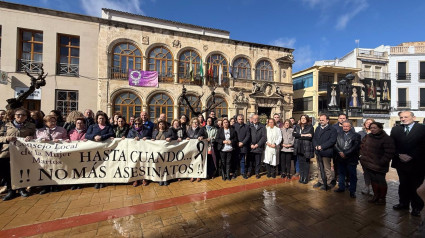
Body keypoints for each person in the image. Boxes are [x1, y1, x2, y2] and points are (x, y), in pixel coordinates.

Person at [391, 111, 425, 216]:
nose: (403, 119)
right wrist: (399, 154)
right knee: (403, 184)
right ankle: (403, 204)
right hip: (401, 162)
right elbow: (392, 145)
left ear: (413, 118)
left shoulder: (422, 129)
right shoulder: (396, 129)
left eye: (406, 117)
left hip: (417, 163)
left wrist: (412, 156)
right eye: (401, 117)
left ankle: (417, 207)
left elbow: (423, 146)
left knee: (416, 186)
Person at [0, 108, 35, 200]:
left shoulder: (31, 126)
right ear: (14, 116)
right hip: (7, 152)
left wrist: (31, 137)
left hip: (23, 153)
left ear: (26, 117)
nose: (20, 116)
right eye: (18, 114)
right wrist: (6, 138)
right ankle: (11, 190)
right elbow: (0, 137)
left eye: (23, 115)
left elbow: (36, 137)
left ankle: (22, 189)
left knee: (22, 171)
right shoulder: (6, 125)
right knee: (7, 172)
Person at [360, 122, 395, 205]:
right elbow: (362, 146)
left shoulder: (387, 139)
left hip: (380, 166)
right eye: (371, 128)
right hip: (369, 165)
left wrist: (380, 162)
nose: (372, 129)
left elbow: (389, 153)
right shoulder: (368, 136)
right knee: (373, 181)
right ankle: (376, 196)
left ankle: (382, 198)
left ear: (380, 128)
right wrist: (362, 157)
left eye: (375, 128)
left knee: (381, 182)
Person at [85, 111, 114, 189]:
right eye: (100, 118)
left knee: (104, 165)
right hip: (94, 150)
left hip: (105, 150)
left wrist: (102, 137)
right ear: (97, 119)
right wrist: (94, 137)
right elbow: (87, 135)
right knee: (95, 165)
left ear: (105, 119)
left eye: (103, 118)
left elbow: (111, 134)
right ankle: (96, 181)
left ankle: (103, 181)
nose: (101, 120)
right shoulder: (92, 126)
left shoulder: (108, 127)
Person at [334, 121, 361, 198]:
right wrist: (340, 152)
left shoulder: (356, 135)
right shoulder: (338, 135)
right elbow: (335, 144)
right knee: (341, 174)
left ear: (350, 127)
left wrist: (345, 153)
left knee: (352, 176)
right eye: (344, 126)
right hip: (340, 158)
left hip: (351, 158)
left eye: (347, 126)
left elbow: (355, 147)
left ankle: (352, 191)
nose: (345, 127)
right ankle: (341, 187)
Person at [312, 114, 337, 190]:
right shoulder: (318, 128)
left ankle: (328, 183)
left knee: (327, 168)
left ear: (327, 120)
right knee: (319, 167)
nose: (321, 121)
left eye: (323, 120)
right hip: (318, 151)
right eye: (320, 120)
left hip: (326, 151)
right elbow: (314, 138)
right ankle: (321, 181)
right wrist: (316, 145)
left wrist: (322, 146)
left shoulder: (332, 129)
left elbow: (332, 141)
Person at [127, 117, 151, 187]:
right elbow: (128, 139)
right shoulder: (131, 131)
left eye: (139, 123)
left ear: (141, 123)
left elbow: (151, 137)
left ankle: (144, 179)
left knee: (144, 164)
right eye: (135, 123)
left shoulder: (146, 130)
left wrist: (147, 138)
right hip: (134, 151)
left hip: (144, 150)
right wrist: (133, 139)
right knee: (135, 164)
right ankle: (136, 179)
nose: (137, 125)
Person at [67, 117, 87, 190]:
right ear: (75, 124)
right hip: (73, 153)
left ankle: (80, 183)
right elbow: (67, 139)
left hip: (83, 153)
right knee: (73, 168)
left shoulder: (87, 132)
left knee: (81, 168)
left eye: (81, 123)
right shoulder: (71, 131)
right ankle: (73, 183)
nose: (79, 124)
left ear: (84, 124)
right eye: (78, 123)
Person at [293, 115, 314, 184]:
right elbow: (294, 134)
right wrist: (304, 135)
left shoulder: (310, 127)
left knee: (306, 163)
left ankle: (305, 178)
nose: (303, 119)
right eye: (302, 118)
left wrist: (299, 135)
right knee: (301, 163)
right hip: (298, 147)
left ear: (307, 119)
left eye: (304, 118)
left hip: (306, 147)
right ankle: (301, 176)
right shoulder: (297, 126)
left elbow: (310, 137)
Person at [357, 118, 375, 195]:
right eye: (367, 123)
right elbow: (357, 145)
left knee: (373, 172)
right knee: (366, 172)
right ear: (364, 124)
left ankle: (373, 188)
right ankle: (366, 186)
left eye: (370, 123)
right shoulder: (360, 133)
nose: (368, 124)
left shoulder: (376, 133)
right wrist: (359, 155)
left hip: (374, 157)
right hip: (363, 157)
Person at [186, 117, 207, 182]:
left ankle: (198, 175)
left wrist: (202, 137)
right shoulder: (188, 130)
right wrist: (186, 138)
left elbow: (205, 136)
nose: (195, 123)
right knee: (191, 161)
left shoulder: (201, 129)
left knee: (199, 161)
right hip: (191, 148)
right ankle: (192, 175)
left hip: (199, 148)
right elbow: (186, 136)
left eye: (196, 122)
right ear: (191, 123)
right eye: (194, 122)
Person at [248, 115, 266, 179]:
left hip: (258, 146)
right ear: (252, 119)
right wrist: (250, 144)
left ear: (258, 119)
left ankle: (257, 172)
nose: (255, 120)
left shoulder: (262, 126)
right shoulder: (249, 126)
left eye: (257, 119)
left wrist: (258, 144)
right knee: (250, 161)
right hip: (251, 147)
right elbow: (248, 136)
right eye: (254, 118)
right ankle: (249, 172)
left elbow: (264, 137)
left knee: (258, 161)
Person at [234, 114, 251, 179]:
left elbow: (248, 136)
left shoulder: (246, 126)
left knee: (243, 160)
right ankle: (235, 173)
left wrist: (243, 143)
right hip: (236, 145)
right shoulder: (234, 126)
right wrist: (237, 142)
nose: (241, 120)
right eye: (239, 119)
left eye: (242, 119)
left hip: (243, 146)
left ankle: (243, 172)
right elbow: (233, 135)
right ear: (237, 120)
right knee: (235, 160)